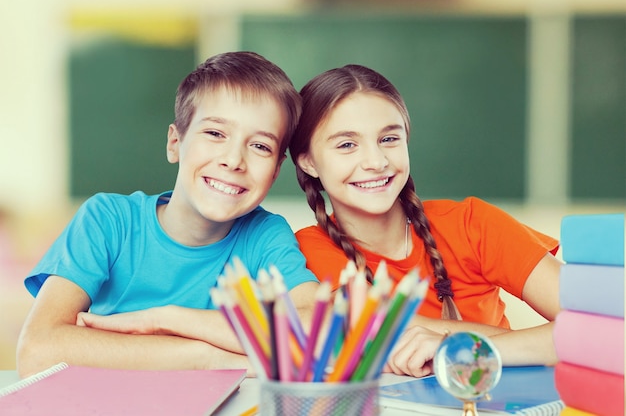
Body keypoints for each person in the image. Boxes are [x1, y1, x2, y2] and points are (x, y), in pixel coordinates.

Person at [16, 51, 319, 378]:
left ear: (275, 171)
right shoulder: (109, 220)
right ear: (175, 143)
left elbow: (317, 332)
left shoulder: (265, 234)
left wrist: (166, 319)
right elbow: (37, 350)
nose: (234, 160)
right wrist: (205, 358)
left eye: (260, 146)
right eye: (215, 134)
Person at [289, 64, 561, 378]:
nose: (376, 162)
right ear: (308, 161)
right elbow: (371, 329)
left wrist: (454, 344)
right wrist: (537, 342)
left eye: (389, 138)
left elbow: (608, 327)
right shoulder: (305, 255)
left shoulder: (472, 224)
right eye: (347, 145)